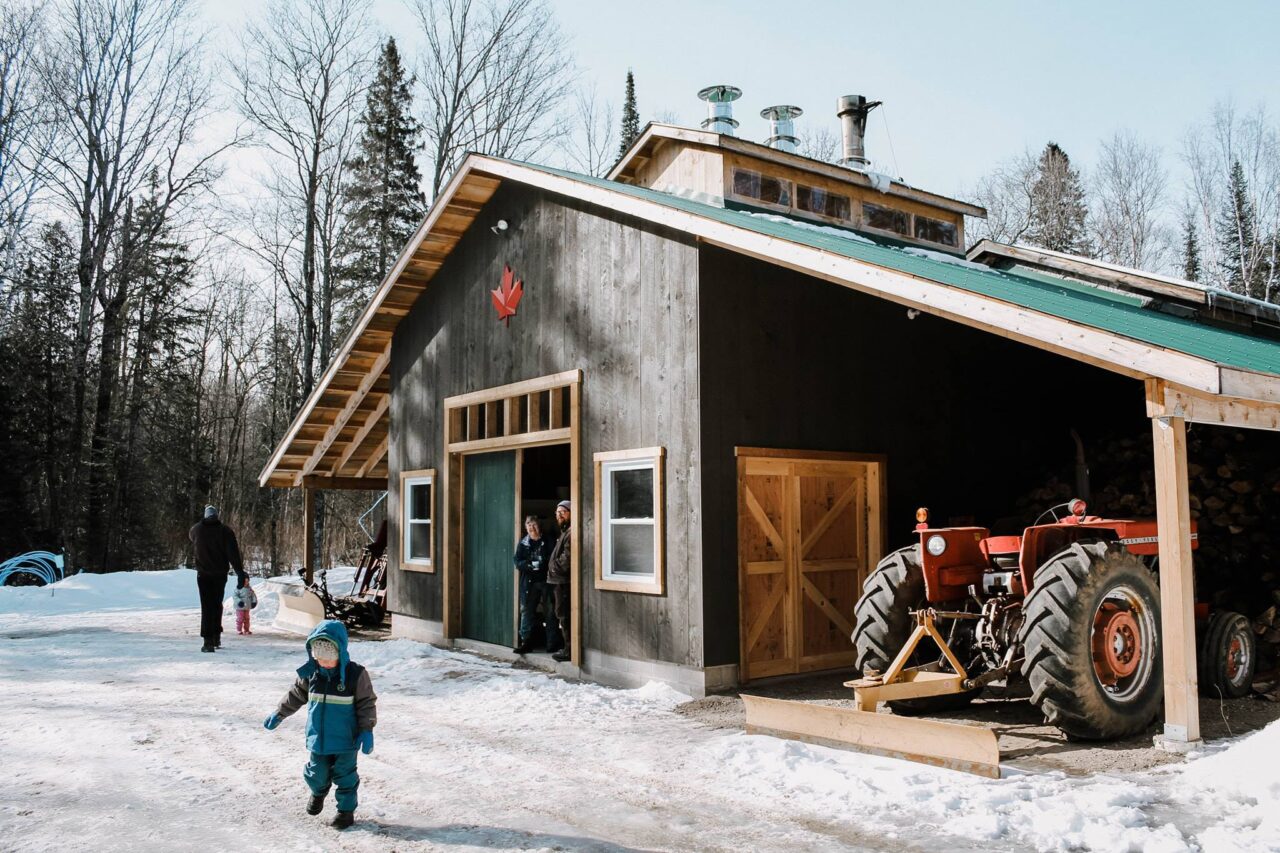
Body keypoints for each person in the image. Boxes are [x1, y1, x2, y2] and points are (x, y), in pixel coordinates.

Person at [263, 620, 378, 831]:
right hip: (319, 739)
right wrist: (279, 713)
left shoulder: (355, 675)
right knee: (316, 774)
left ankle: (345, 812)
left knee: (345, 776)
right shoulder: (311, 674)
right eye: (319, 657)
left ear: (340, 652)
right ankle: (318, 792)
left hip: (346, 739)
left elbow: (366, 703)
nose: (324, 662)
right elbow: (295, 695)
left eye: (329, 658)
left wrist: (367, 730)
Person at [188, 505, 247, 653]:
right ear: (217, 516)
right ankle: (216, 636)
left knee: (207, 606)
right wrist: (240, 572)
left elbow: (191, 538)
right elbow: (233, 554)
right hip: (220, 575)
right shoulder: (225, 532)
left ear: (205, 515)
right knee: (216, 603)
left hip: (203, 575)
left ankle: (208, 641)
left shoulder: (196, 530)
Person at [512, 515, 560, 655]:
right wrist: (527, 565)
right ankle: (526, 642)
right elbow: (517, 561)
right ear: (525, 527)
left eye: (533, 524)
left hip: (546, 581)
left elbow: (554, 559)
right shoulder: (523, 543)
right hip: (529, 583)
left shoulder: (548, 541)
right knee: (526, 611)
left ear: (539, 526)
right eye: (528, 524)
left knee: (550, 613)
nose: (531, 527)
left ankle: (552, 643)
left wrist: (543, 563)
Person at [545, 500, 572, 662]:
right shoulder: (564, 531)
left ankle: (569, 650)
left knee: (564, 615)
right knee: (560, 614)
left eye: (563, 512)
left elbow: (567, 557)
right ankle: (567, 647)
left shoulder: (570, 532)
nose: (560, 515)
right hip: (558, 580)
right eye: (557, 513)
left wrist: (554, 568)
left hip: (563, 581)